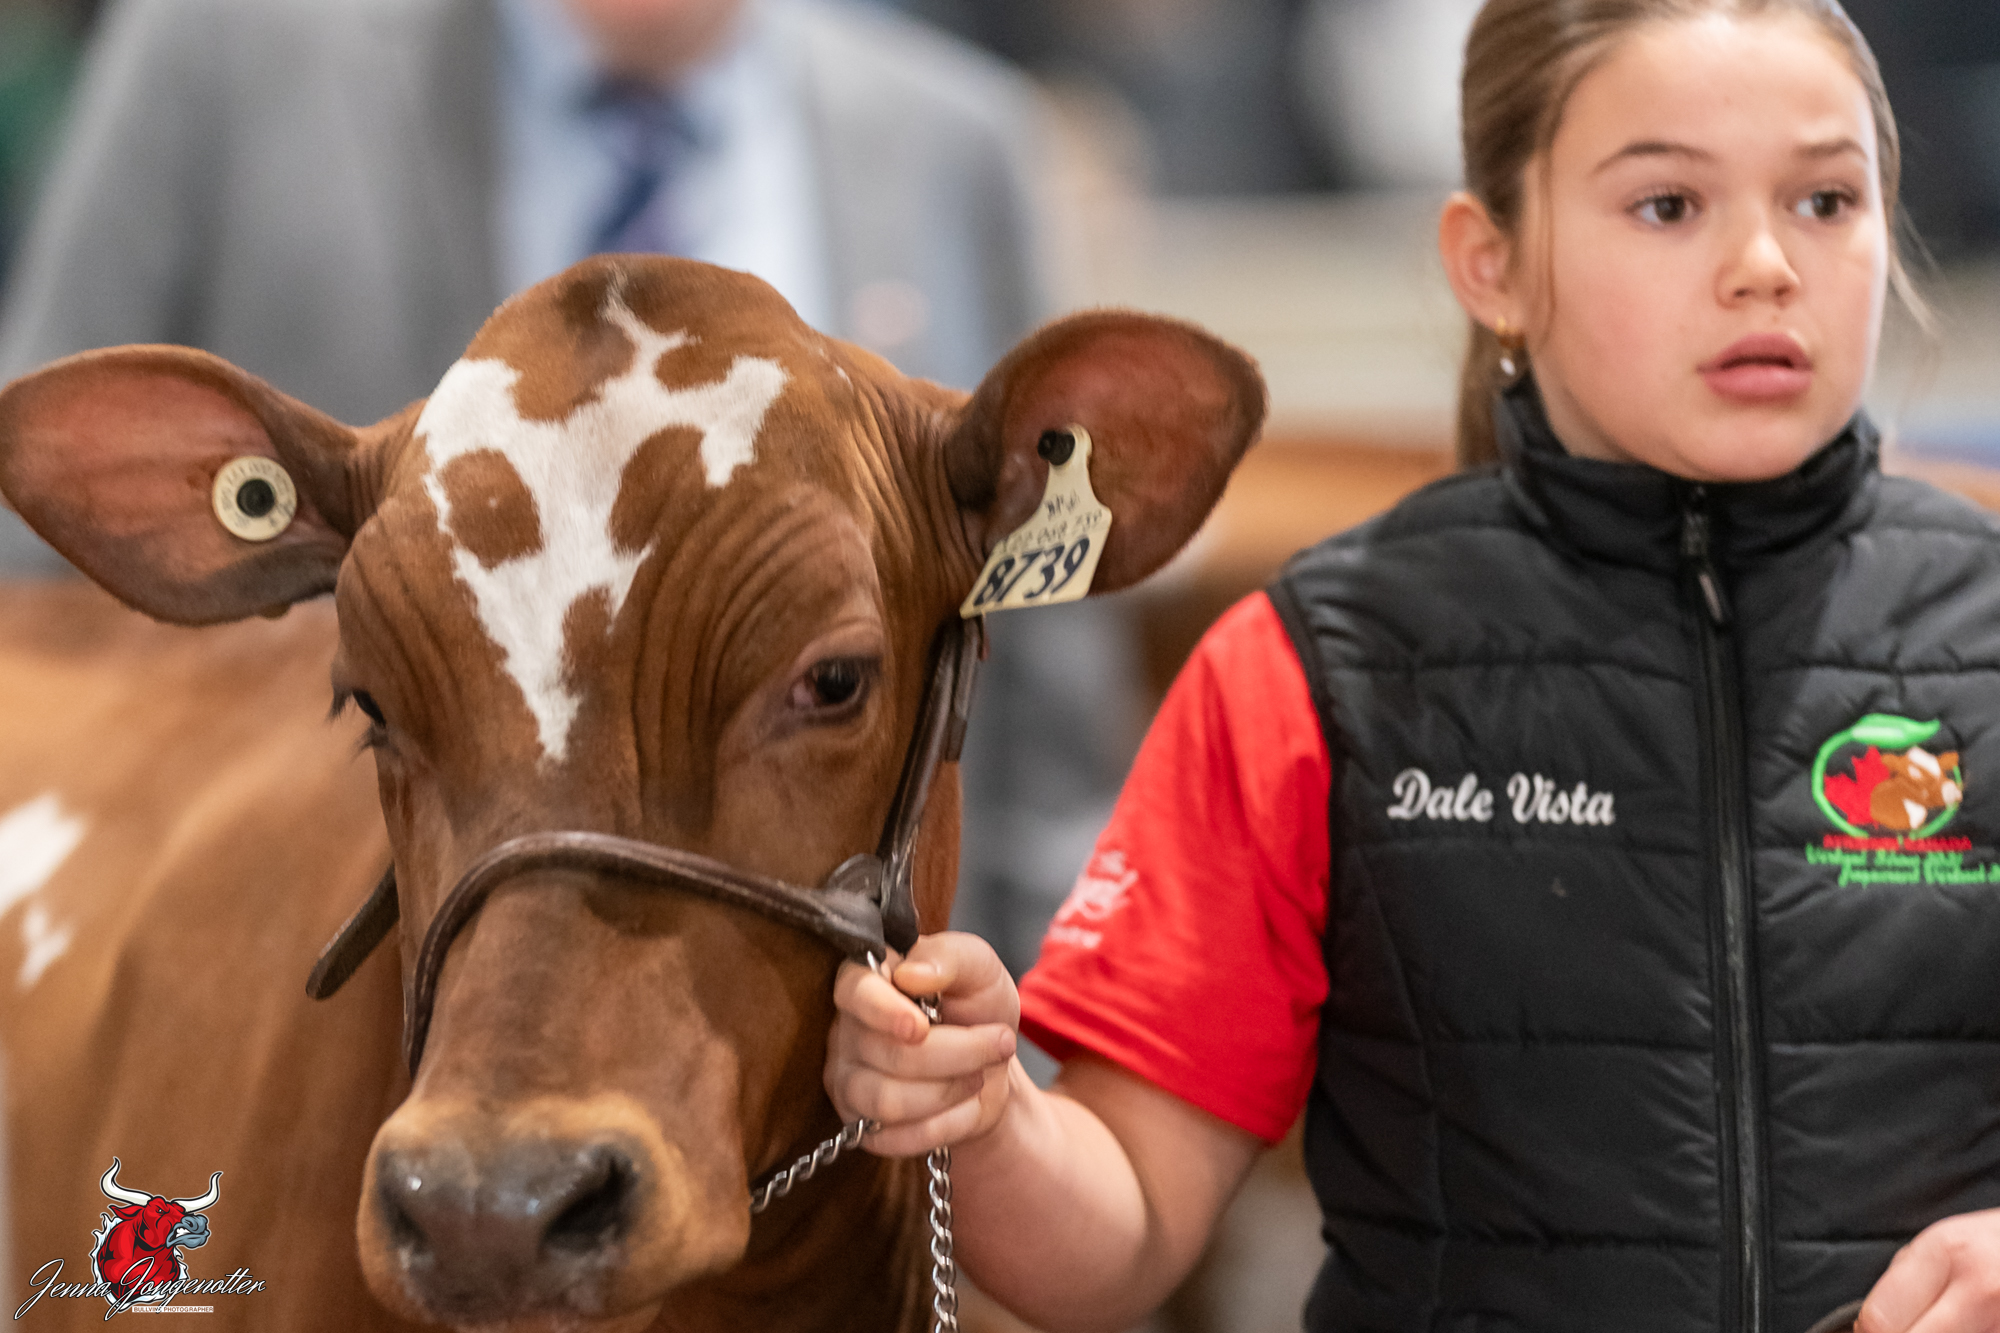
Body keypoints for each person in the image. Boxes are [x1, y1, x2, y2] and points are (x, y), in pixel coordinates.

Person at [827, 2, 2000, 1330]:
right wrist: (980, 1107)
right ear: (1491, 264)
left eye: (1826, 200)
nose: (1765, 265)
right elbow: (1119, 1234)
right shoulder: (1320, 668)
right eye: (1667, 205)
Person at [0, 0, 1134, 965]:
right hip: (293, 1014)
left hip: (840, 1072)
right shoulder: (223, 59)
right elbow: (38, 562)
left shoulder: (956, 146)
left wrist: (1011, 1084)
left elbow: (1039, 722)